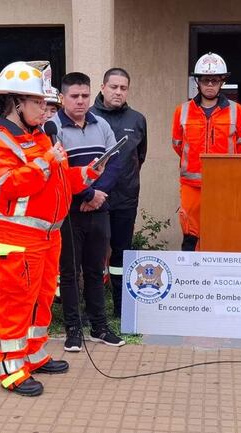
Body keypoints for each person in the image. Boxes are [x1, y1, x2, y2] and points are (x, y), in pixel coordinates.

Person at [0, 61, 103, 396]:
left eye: (47, 104)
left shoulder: (41, 136)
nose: (47, 109)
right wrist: (44, 162)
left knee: (43, 297)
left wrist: (86, 175)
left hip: (48, 236)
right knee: (17, 301)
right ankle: (11, 366)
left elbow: (59, 181)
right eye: (39, 103)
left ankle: (33, 352)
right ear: (17, 102)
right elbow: (9, 185)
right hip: (16, 239)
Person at [50, 72, 126, 352]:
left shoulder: (102, 124)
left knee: (96, 270)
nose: (81, 101)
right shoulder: (53, 126)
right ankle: (73, 328)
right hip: (69, 211)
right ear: (63, 97)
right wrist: (86, 193)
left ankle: (100, 327)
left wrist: (97, 195)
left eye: (85, 95)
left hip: (99, 209)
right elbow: (57, 171)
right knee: (70, 272)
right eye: (74, 96)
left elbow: (114, 163)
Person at [172, 52, 241, 251]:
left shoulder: (237, 111)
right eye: (206, 80)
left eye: (215, 80)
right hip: (191, 184)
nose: (210, 85)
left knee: (221, 231)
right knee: (190, 234)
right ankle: (191, 278)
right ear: (198, 82)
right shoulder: (183, 110)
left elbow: (240, 144)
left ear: (222, 82)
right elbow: (178, 144)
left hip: (223, 183)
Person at [90, 67, 148, 318]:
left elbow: (140, 157)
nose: (118, 92)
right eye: (113, 87)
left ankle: (120, 308)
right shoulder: (87, 116)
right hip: (92, 200)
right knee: (92, 255)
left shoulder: (137, 119)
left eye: (123, 88)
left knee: (121, 254)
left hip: (125, 199)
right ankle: (93, 309)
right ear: (102, 87)